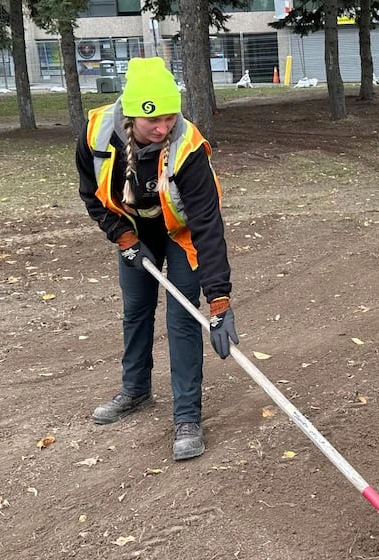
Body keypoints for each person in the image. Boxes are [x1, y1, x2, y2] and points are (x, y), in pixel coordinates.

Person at [76, 56, 239, 460]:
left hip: (180, 234)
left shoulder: (188, 146)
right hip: (134, 229)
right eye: (154, 122)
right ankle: (135, 391)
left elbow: (207, 225)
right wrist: (123, 237)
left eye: (170, 117)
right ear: (132, 117)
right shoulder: (97, 134)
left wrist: (219, 299)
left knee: (182, 317)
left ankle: (187, 417)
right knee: (135, 310)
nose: (164, 128)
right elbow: (90, 194)